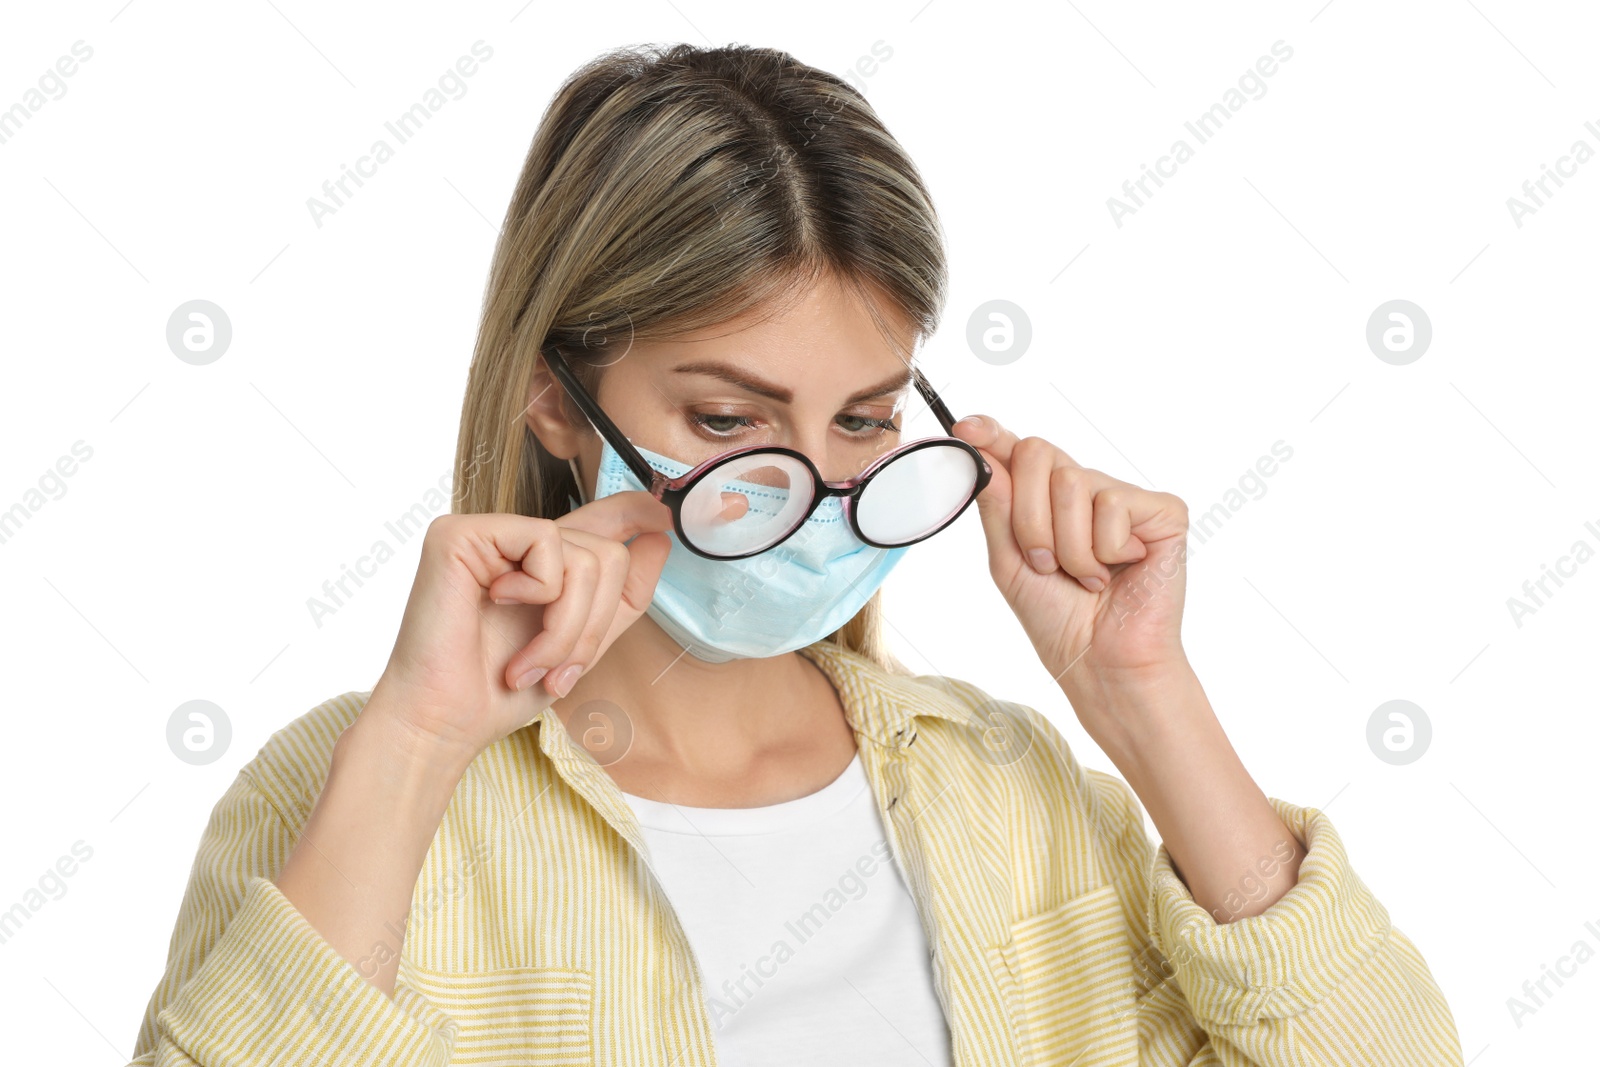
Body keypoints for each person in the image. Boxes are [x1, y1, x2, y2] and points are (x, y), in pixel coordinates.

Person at [128, 42, 1461, 1066]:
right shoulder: (345, 789)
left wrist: (1144, 700)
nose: (821, 496)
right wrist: (416, 747)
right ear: (556, 400)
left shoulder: (1010, 795)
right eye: (727, 420)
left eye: (867, 420)